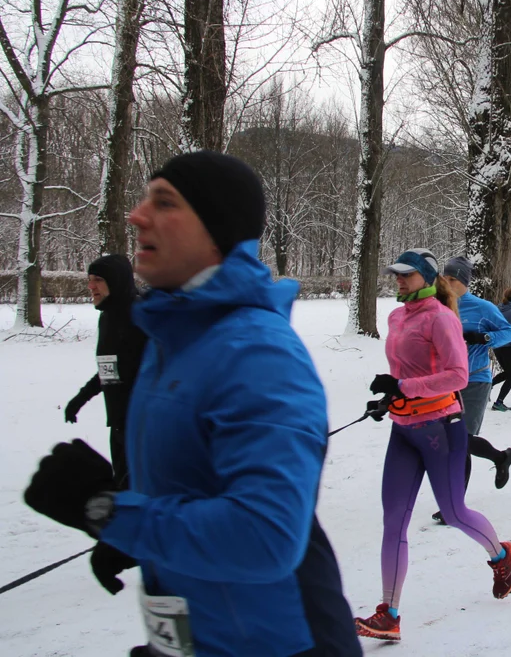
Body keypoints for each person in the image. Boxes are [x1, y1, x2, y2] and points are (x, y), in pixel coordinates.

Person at [24, 151, 362, 656]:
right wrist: (130, 532)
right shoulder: (173, 340)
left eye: (164, 202)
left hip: (279, 641)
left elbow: (263, 537)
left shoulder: (256, 352)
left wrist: (111, 512)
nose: (137, 215)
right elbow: (193, 483)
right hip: (204, 636)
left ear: (214, 227)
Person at [356, 249, 511, 642]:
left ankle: (500, 554)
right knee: (393, 520)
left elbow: (458, 376)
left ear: (426, 279)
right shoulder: (396, 316)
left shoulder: (442, 318)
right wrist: (389, 399)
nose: (399, 281)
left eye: (406, 276)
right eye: (396, 275)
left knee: (454, 511)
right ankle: (389, 614)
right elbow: (405, 373)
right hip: (404, 429)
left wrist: (404, 388)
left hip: (441, 426)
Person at [430, 257, 511, 525]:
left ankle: (453, 505)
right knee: (453, 441)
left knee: (460, 440)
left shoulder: (482, 308)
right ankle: (501, 457)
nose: (447, 283)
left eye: (452, 279)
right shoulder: (437, 307)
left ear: (464, 282)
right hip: (446, 382)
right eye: (444, 278)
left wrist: (484, 338)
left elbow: (508, 332)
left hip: (475, 379)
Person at [64, 255, 146, 489]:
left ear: (117, 280)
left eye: (98, 279)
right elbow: (111, 368)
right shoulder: (109, 316)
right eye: (89, 279)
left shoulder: (142, 316)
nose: (90, 286)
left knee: (136, 492)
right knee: (122, 488)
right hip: (120, 422)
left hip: (144, 425)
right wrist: (81, 398)